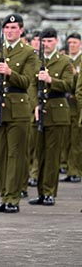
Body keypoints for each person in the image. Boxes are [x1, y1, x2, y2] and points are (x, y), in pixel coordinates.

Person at [0, 14, 38, 213]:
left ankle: (13, 199)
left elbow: (27, 81)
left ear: (21, 30)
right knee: (0, 154)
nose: (9, 31)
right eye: (7, 28)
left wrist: (10, 73)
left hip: (18, 108)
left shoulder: (28, 52)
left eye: (14, 28)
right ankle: (4, 196)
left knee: (15, 155)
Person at [29, 27, 73, 207]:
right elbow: (31, 85)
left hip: (56, 111)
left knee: (52, 155)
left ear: (56, 41)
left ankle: (49, 192)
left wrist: (50, 81)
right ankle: (41, 192)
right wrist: (35, 105)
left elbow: (69, 85)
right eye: (44, 41)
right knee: (39, 154)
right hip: (40, 111)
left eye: (49, 41)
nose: (46, 44)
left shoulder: (64, 61)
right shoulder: (35, 61)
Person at [63, 32, 82, 183]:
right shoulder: (65, 60)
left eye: (74, 43)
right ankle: (69, 169)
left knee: (76, 140)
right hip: (65, 105)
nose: (72, 46)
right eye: (70, 43)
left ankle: (76, 171)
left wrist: (75, 75)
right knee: (66, 140)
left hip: (77, 105)